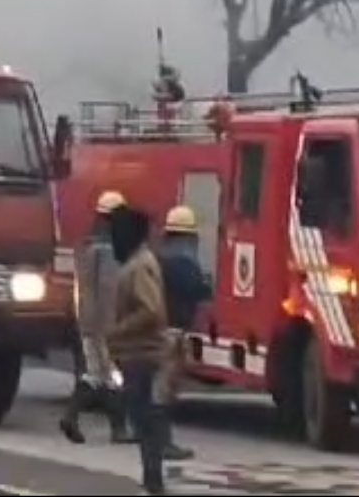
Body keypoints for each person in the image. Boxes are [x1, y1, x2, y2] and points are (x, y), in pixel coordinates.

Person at [108, 203, 174, 495]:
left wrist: (116, 332)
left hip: (143, 355)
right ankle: (152, 479)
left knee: (146, 421)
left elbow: (151, 310)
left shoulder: (139, 266)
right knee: (145, 419)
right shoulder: (139, 262)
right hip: (138, 355)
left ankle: (154, 480)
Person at [61, 189, 131, 445]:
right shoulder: (110, 250)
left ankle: (71, 416)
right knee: (114, 375)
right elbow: (109, 290)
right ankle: (119, 429)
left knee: (94, 373)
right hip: (105, 323)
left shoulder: (87, 246)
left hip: (85, 320)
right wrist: (114, 327)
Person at [155, 205, 212, 461]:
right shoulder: (183, 261)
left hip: (160, 329)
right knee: (164, 390)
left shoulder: (160, 257)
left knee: (159, 387)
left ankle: (156, 440)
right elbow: (197, 289)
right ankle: (162, 443)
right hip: (173, 332)